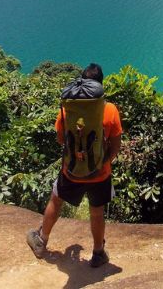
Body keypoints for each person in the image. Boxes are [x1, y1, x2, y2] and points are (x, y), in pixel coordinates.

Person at [26, 63, 123, 268]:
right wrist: (101, 163)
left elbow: (62, 140)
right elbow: (115, 146)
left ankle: (41, 241)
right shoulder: (110, 109)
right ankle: (98, 253)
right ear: (100, 85)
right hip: (100, 173)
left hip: (71, 171)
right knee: (97, 211)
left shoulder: (67, 111)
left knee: (56, 200)